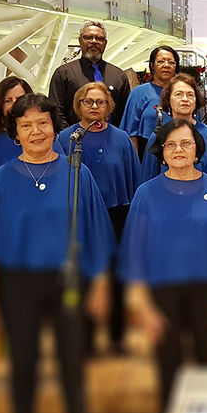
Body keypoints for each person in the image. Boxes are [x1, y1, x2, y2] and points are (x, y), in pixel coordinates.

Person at [0, 93, 114, 413]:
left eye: (43, 123)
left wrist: (101, 285)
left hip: (69, 279)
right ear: (16, 132)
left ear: (54, 126)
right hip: (19, 283)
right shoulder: (0, 180)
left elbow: (97, 232)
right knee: (23, 363)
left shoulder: (76, 172)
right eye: (26, 125)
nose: (36, 131)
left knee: (72, 362)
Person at [120, 119, 207, 413]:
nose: (179, 150)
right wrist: (142, 307)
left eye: (186, 143)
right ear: (161, 151)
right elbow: (134, 254)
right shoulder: (146, 194)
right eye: (171, 144)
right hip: (162, 292)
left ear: (197, 149)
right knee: (168, 369)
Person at [57, 82, 140, 354]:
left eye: (100, 102)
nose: (94, 107)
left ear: (109, 106)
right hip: (80, 217)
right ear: (78, 105)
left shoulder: (122, 140)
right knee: (85, 278)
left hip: (116, 214)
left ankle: (117, 337)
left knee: (115, 279)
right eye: (88, 101)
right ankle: (85, 341)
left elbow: (133, 180)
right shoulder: (65, 139)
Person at [140, 73, 207, 181]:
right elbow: (148, 179)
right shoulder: (158, 136)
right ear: (168, 99)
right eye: (178, 94)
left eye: (190, 95)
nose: (185, 99)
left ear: (196, 100)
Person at [48, 21, 131, 128]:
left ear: (105, 43)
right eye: (88, 37)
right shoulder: (63, 73)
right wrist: (70, 137)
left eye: (99, 38)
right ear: (80, 41)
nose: (94, 41)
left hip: (111, 140)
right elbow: (56, 111)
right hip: (74, 140)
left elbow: (125, 113)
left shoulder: (119, 76)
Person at [0, 77, 67, 174]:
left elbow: (63, 172)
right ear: (0, 105)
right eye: (7, 101)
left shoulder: (45, 138)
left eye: (19, 98)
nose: (14, 104)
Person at [119, 46, 180, 155]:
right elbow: (131, 132)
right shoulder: (139, 93)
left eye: (171, 62)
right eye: (160, 61)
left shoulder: (183, 93)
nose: (166, 65)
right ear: (152, 65)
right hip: (148, 155)